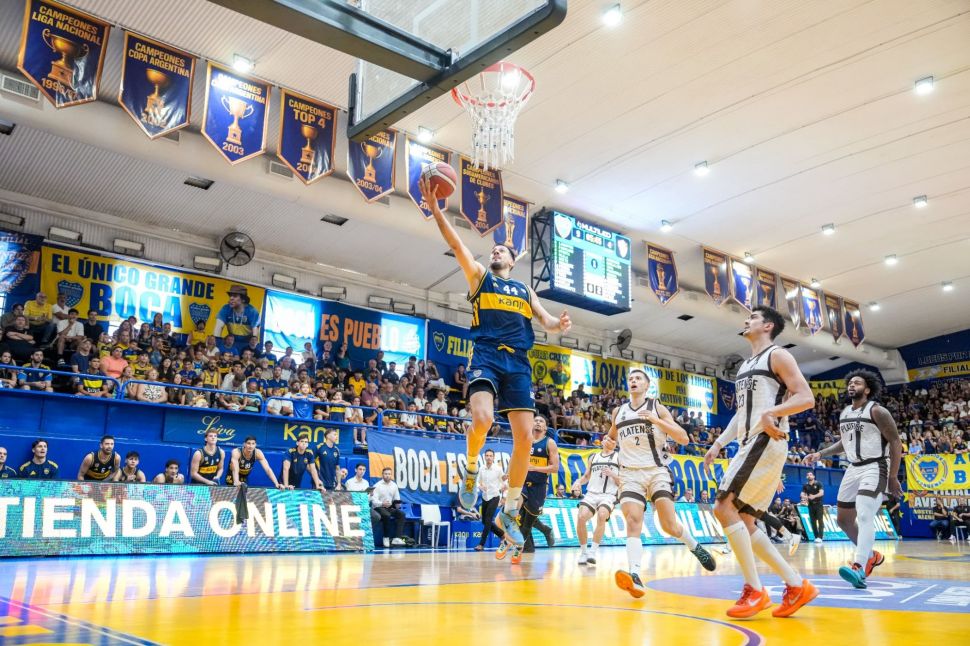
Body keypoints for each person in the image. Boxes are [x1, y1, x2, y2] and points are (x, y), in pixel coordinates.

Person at [419, 177, 571, 551]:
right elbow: (456, 243)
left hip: (518, 362)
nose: (495, 252)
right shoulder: (480, 277)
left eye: (501, 250)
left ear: (513, 260)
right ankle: (471, 468)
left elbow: (546, 321)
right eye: (493, 250)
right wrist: (436, 209)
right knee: (484, 419)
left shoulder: (524, 290)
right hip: (486, 355)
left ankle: (511, 509)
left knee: (525, 438)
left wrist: (560, 324)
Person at [703, 306, 818, 618]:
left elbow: (806, 397)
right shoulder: (745, 365)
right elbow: (742, 413)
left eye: (753, 317)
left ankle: (755, 590)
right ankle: (796, 585)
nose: (746, 320)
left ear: (768, 326)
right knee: (745, 519)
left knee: (723, 507)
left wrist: (773, 413)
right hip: (748, 440)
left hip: (766, 438)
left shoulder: (778, 355)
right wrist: (718, 443)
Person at [612, 369, 715, 598]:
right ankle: (635, 575)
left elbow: (683, 438)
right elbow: (611, 437)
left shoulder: (657, 407)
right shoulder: (618, 412)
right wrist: (608, 444)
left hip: (656, 470)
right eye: (630, 379)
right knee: (633, 520)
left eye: (638, 378)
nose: (633, 381)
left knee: (669, 526)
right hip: (629, 474)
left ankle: (694, 546)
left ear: (647, 385)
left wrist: (656, 420)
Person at [804, 370, 903, 589]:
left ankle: (859, 566)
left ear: (867, 389)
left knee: (865, 513)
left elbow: (896, 442)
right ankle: (871, 555)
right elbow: (844, 442)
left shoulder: (877, 411)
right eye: (850, 382)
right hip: (853, 468)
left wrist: (893, 476)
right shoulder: (846, 412)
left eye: (857, 383)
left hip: (876, 465)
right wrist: (820, 454)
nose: (851, 385)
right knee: (843, 520)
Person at [575, 434, 620, 566]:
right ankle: (584, 552)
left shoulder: (619, 457)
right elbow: (586, 476)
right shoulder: (593, 457)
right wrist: (578, 482)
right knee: (581, 517)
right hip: (592, 493)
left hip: (609, 494)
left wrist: (613, 474)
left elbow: (624, 481)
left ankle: (593, 552)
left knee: (602, 514)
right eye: (605, 438)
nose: (606, 440)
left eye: (610, 439)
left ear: (615, 444)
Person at [476, 449, 507, 551]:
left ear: (493, 457)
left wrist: (502, 494)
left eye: (490, 456)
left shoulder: (498, 469)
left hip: (494, 496)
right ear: (484, 457)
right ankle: (502, 534)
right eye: (487, 455)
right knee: (484, 521)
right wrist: (480, 487)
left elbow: (504, 482)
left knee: (488, 519)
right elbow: (477, 481)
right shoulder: (481, 468)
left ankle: (481, 544)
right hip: (485, 497)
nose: (489, 457)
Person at [214, 285, 260, 351]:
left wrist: (252, 350)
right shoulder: (225, 309)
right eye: (230, 296)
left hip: (247, 345)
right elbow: (218, 328)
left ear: (243, 299)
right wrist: (216, 347)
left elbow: (255, 335)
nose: (231, 298)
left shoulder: (252, 311)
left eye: (235, 296)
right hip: (231, 343)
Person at [371, 467, 406, 547]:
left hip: (389, 507)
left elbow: (396, 499)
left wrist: (397, 505)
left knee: (401, 514)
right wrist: (382, 503)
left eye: (389, 474)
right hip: (378, 507)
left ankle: (397, 538)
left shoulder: (394, 485)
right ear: (382, 475)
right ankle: (386, 537)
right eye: (386, 474)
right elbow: (374, 501)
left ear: (391, 475)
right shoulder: (377, 485)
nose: (387, 475)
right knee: (386, 515)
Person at [802, 471, 825, 542]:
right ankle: (816, 537)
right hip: (810, 505)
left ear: (813, 476)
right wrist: (806, 497)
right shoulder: (805, 485)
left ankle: (820, 537)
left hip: (818, 504)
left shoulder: (818, 483)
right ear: (807, 477)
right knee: (812, 521)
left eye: (810, 474)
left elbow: (821, 493)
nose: (809, 476)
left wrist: (814, 496)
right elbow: (802, 494)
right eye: (808, 475)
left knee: (820, 520)